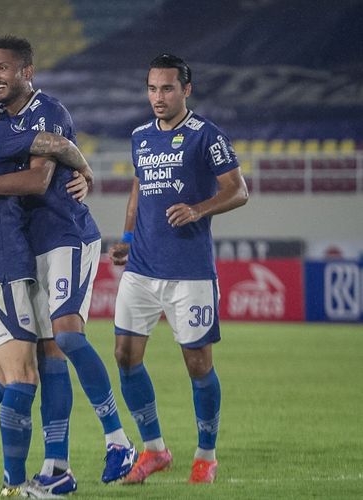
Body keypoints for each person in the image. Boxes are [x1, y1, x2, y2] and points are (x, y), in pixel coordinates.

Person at [0, 36, 136, 495]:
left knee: (63, 339)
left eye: (2, 68)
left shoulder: (48, 110)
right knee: (41, 361)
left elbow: (41, 175)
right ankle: (55, 469)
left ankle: (117, 440)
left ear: (26, 72)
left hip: (64, 236)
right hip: (20, 256)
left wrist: (88, 173)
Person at [109, 54, 249, 485]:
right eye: (152, 88)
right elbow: (137, 192)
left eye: (167, 88)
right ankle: (155, 450)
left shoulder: (206, 136)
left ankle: (206, 455)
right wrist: (128, 239)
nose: (158, 97)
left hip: (189, 272)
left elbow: (239, 190)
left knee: (198, 364)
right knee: (125, 357)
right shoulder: (140, 137)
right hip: (142, 268)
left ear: (186, 90)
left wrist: (198, 209)